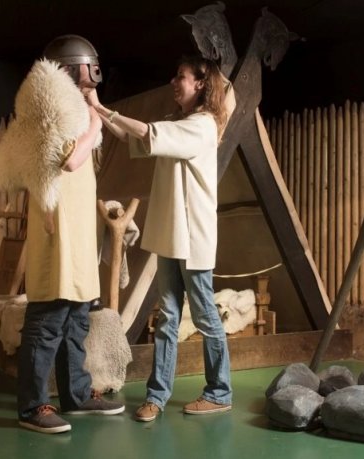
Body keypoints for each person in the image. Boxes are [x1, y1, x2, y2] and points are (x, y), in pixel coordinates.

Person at [87, 56, 232, 422]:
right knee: (167, 317)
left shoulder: (202, 125)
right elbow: (133, 135)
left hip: (193, 239)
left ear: (199, 84)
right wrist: (98, 111)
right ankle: (156, 397)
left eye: (180, 76)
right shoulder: (178, 123)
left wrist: (103, 107)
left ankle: (219, 392)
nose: (173, 81)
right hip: (170, 237)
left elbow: (145, 132)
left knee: (205, 317)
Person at [17, 34, 124, 435]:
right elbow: (72, 159)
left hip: (78, 235)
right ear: (72, 69)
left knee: (77, 319)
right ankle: (32, 406)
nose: (93, 78)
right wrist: (96, 116)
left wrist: (94, 113)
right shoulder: (46, 106)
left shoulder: (76, 111)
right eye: (88, 70)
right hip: (55, 233)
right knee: (48, 321)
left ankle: (76, 395)